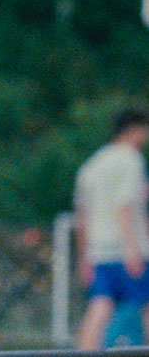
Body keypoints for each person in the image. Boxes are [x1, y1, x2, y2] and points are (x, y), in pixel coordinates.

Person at [75, 107, 149, 349]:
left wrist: (84, 256)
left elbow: (82, 214)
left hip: (99, 250)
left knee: (100, 305)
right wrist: (132, 250)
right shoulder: (131, 159)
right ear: (135, 130)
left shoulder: (93, 163)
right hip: (127, 249)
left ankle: (84, 352)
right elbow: (124, 206)